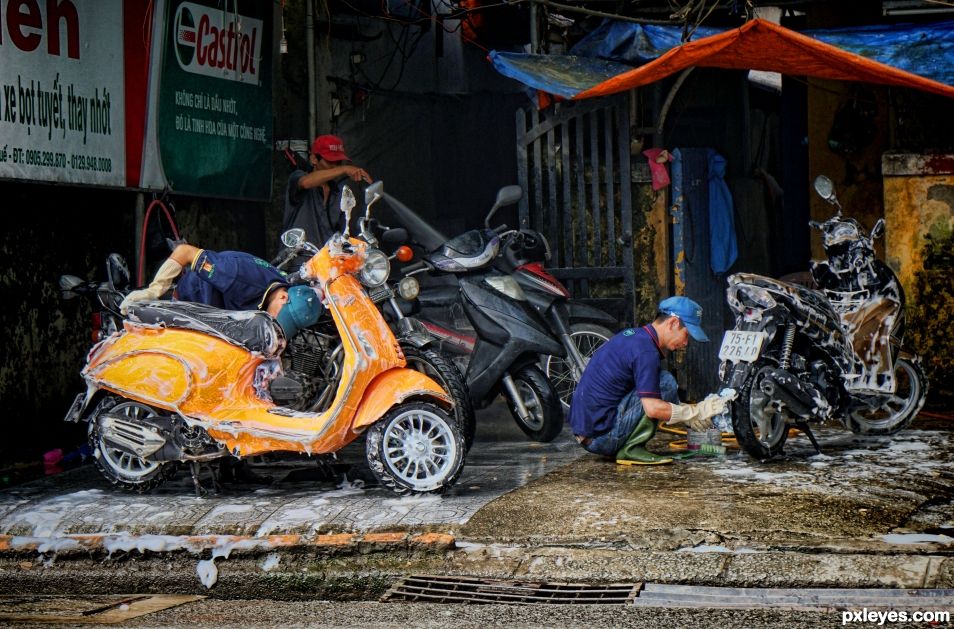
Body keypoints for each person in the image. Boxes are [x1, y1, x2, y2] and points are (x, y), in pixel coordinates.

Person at [567, 296, 728, 466]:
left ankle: (623, 444)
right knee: (666, 383)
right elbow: (653, 409)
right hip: (602, 439)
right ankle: (631, 449)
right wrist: (695, 412)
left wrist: (686, 412)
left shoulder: (634, 337)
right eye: (686, 335)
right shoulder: (646, 352)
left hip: (589, 435)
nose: (686, 343)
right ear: (672, 323)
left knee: (660, 383)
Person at [119, 243, 323, 341]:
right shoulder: (235, 274)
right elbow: (185, 252)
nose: (278, 323)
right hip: (189, 305)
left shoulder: (279, 286)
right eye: (281, 317)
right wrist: (154, 290)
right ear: (283, 296)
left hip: (220, 315)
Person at [283, 134, 372, 244]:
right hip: (297, 256)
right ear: (314, 159)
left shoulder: (339, 192)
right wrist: (344, 169)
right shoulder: (298, 177)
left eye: (338, 162)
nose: (335, 167)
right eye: (330, 161)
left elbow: (343, 232)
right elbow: (306, 183)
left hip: (326, 258)